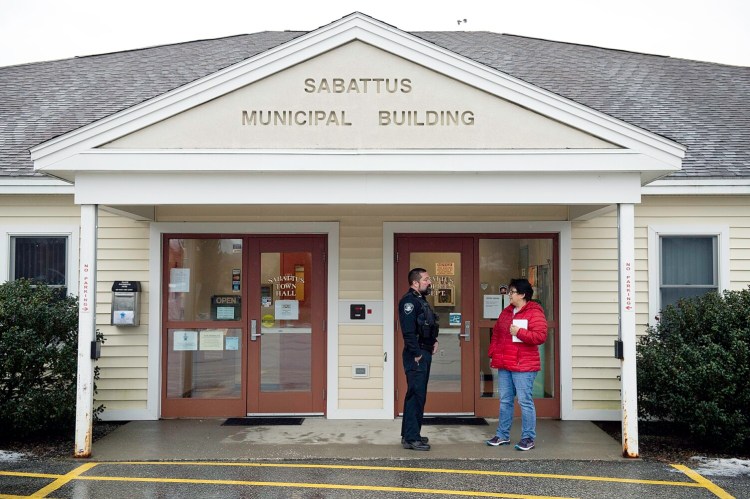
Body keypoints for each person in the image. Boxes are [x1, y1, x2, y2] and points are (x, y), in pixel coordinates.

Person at [486, 278, 547, 451]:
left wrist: (519, 332)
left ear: (522, 294)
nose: (509, 295)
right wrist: (493, 353)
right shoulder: (506, 312)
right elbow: (497, 334)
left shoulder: (535, 312)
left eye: (512, 292)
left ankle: (528, 437)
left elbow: (540, 336)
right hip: (505, 363)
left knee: (524, 401)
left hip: (524, 366)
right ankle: (502, 435)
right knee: (505, 400)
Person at [399, 267, 439, 451]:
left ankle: (410, 434)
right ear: (415, 283)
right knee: (416, 395)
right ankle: (412, 438)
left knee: (416, 395)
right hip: (417, 355)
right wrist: (417, 354)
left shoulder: (420, 300)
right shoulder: (409, 302)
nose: (429, 282)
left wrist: (434, 340)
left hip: (423, 351)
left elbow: (427, 325)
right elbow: (408, 332)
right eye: (426, 279)